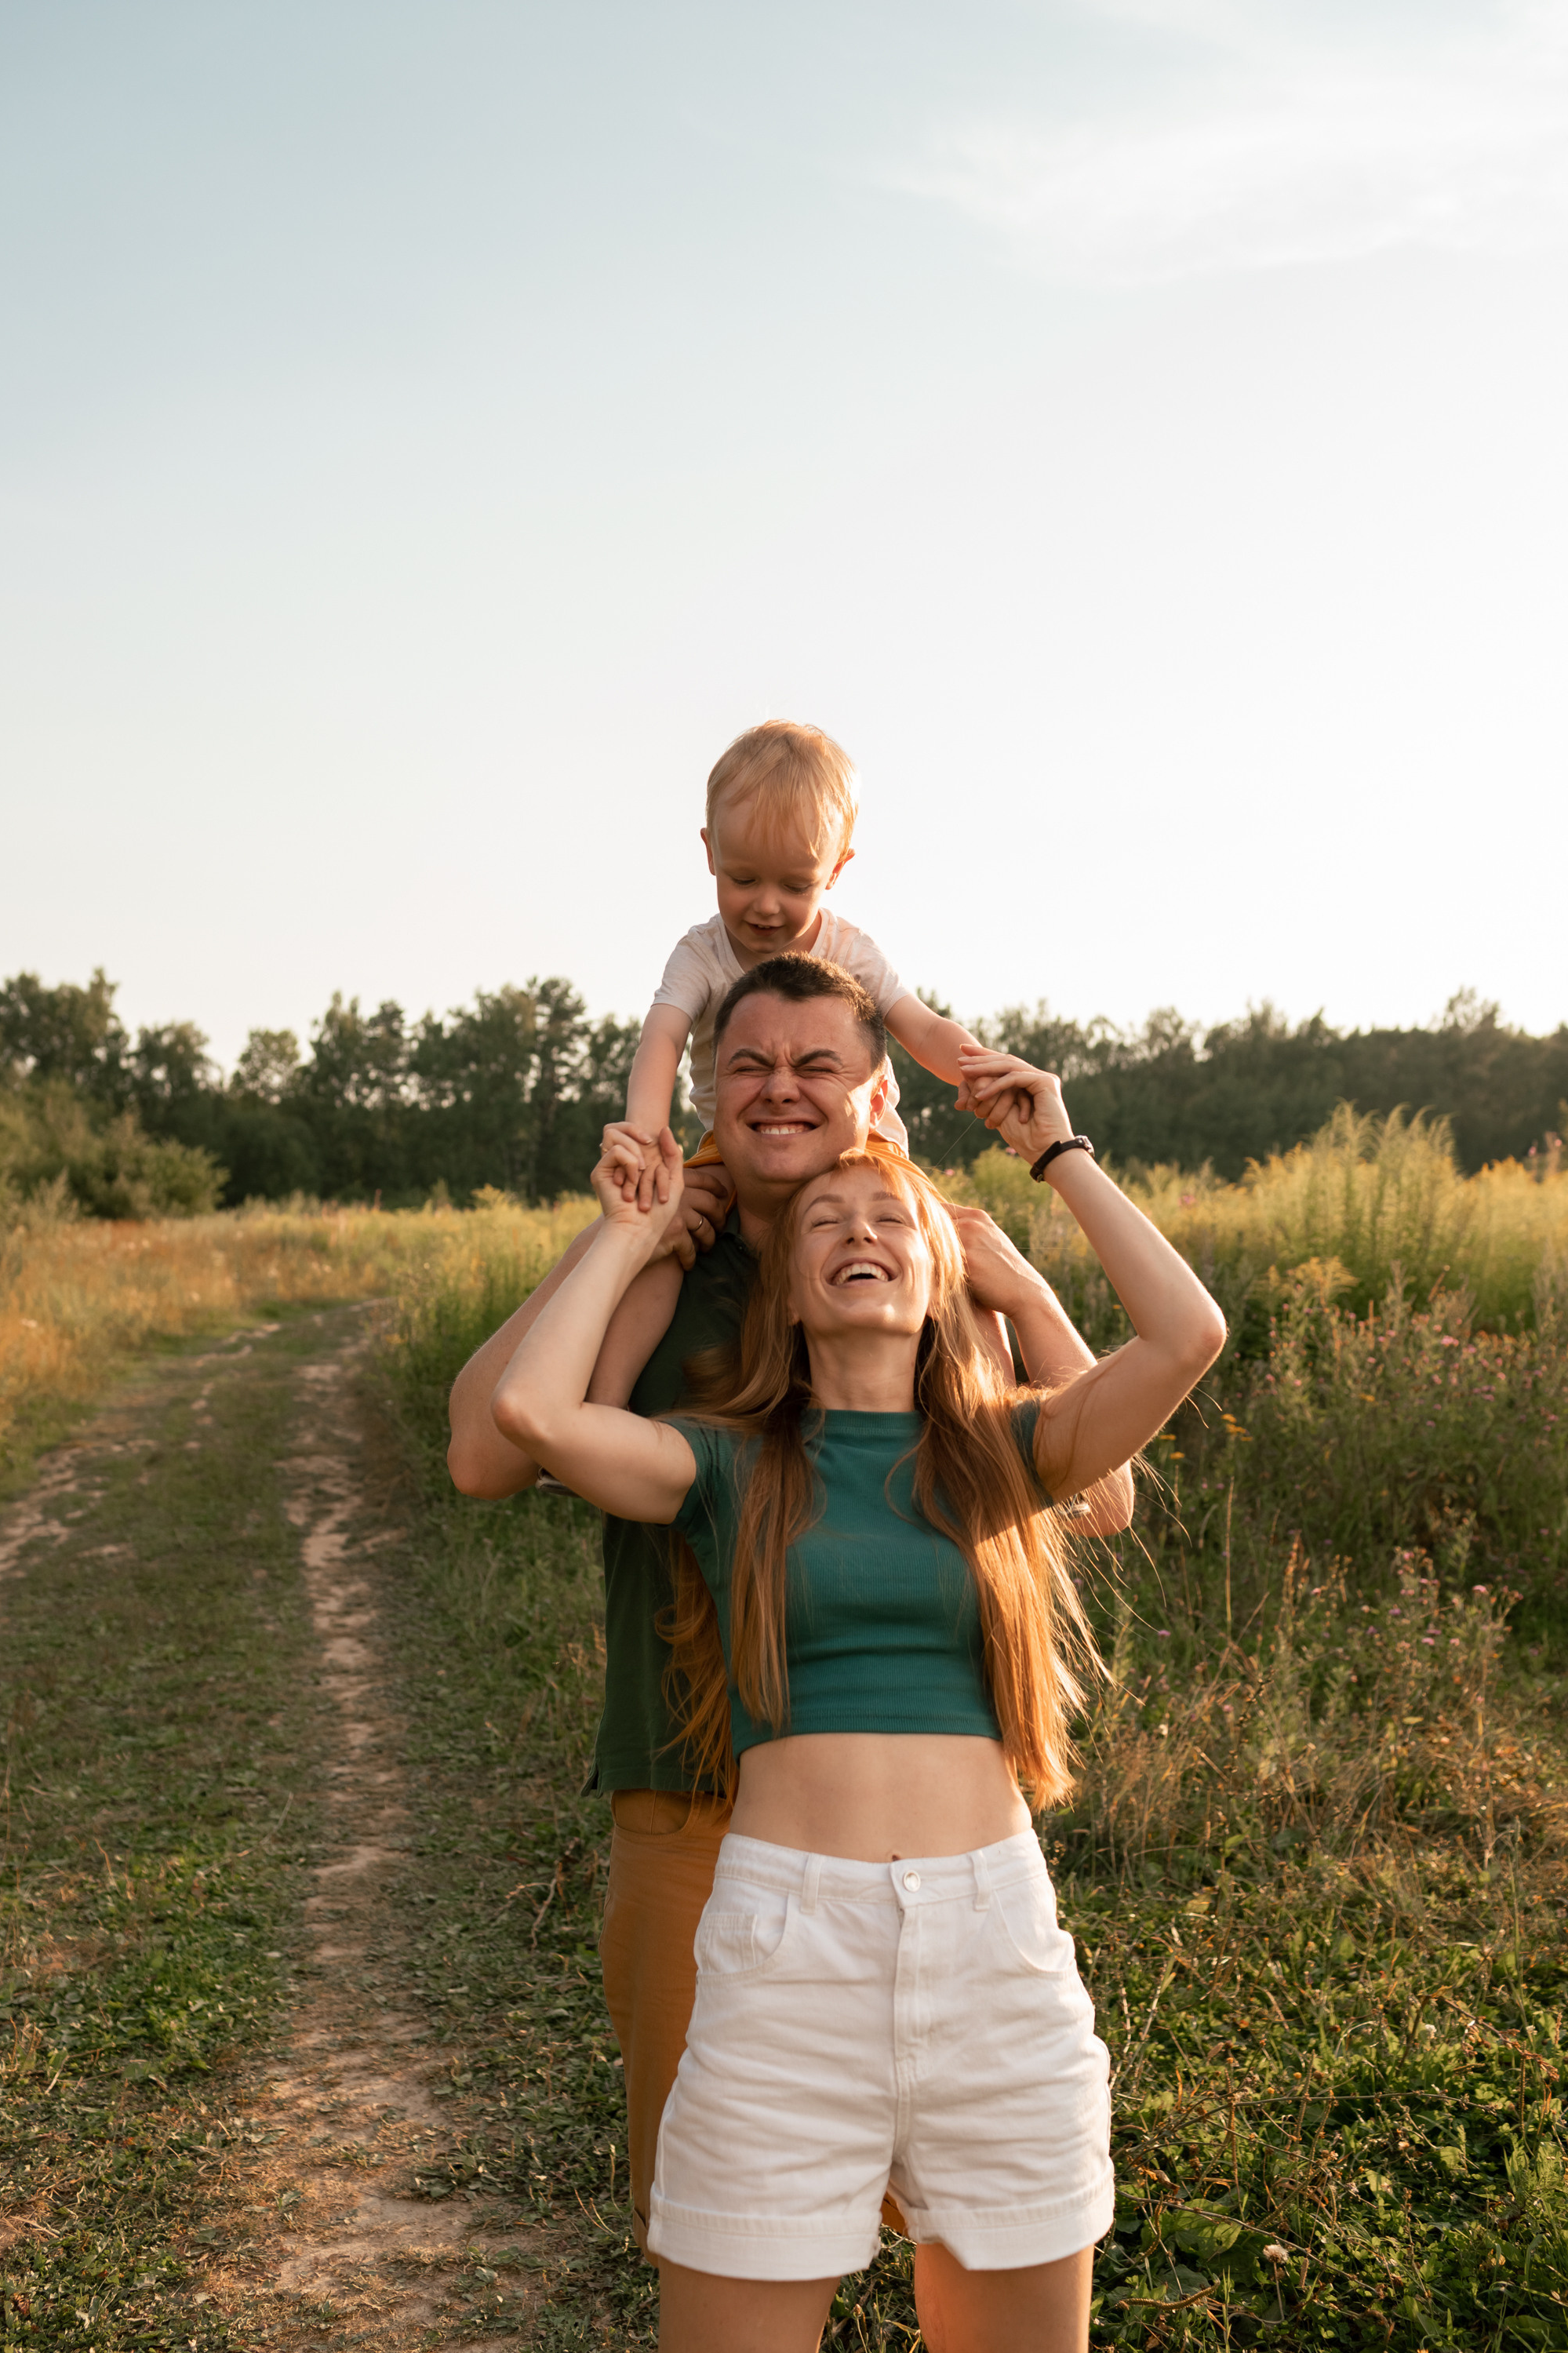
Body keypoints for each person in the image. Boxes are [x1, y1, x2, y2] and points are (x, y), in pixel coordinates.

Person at [487, 1059, 1226, 2352]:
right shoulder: (729, 1462)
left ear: (939, 1273)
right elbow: (530, 1413)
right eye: (825, 1225)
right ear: (787, 1294)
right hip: (783, 1956)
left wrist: (1059, 1153)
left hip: (995, 1948)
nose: (860, 1235)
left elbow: (1187, 1338)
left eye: (892, 1220)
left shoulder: (998, 1456)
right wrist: (629, 1231)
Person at [624, 718, 985, 1165]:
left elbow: (925, 1028)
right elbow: (662, 1039)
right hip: (743, 1146)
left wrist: (984, 1071)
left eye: (795, 887)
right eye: (744, 878)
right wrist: (644, 1136)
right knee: (685, 1209)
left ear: (835, 869)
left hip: (861, 1142)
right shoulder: (702, 956)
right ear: (711, 852)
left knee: (868, 1207)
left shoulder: (848, 951)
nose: (766, 905)